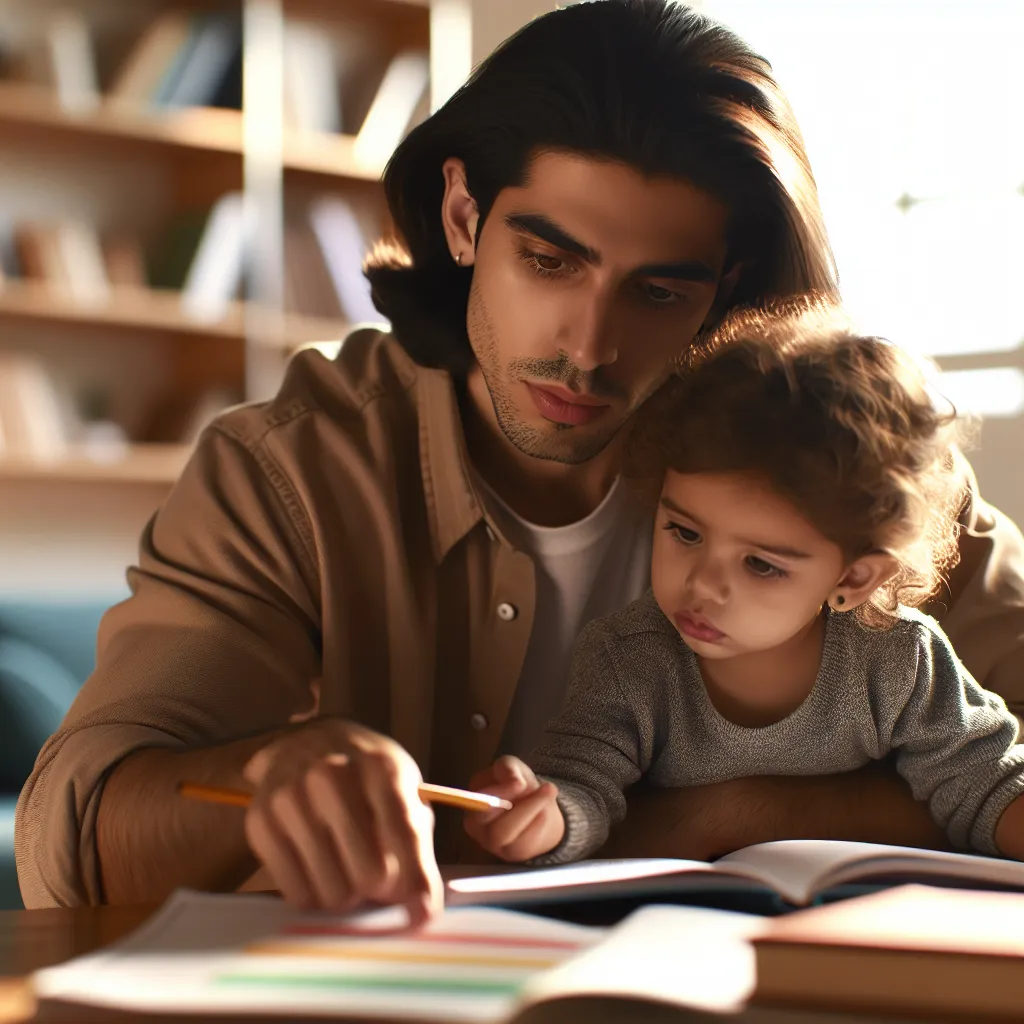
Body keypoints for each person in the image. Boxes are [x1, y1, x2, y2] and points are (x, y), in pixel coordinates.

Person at [15, 0, 1024, 920]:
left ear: (729, 288)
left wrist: (725, 814)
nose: (588, 347)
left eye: (658, 292)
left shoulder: (834, 458)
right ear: (462, 216)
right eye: (550, 260)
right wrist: (268, 772)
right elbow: (74, 838)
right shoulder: (289, 466)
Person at [465, 297, 1024, 865]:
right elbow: (582, 787)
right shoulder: (627, 660)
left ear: (854, 578)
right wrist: (547, 820)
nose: (703, 585)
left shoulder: (899, 658)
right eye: (684, 532)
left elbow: (982, 782)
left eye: (761, 564)